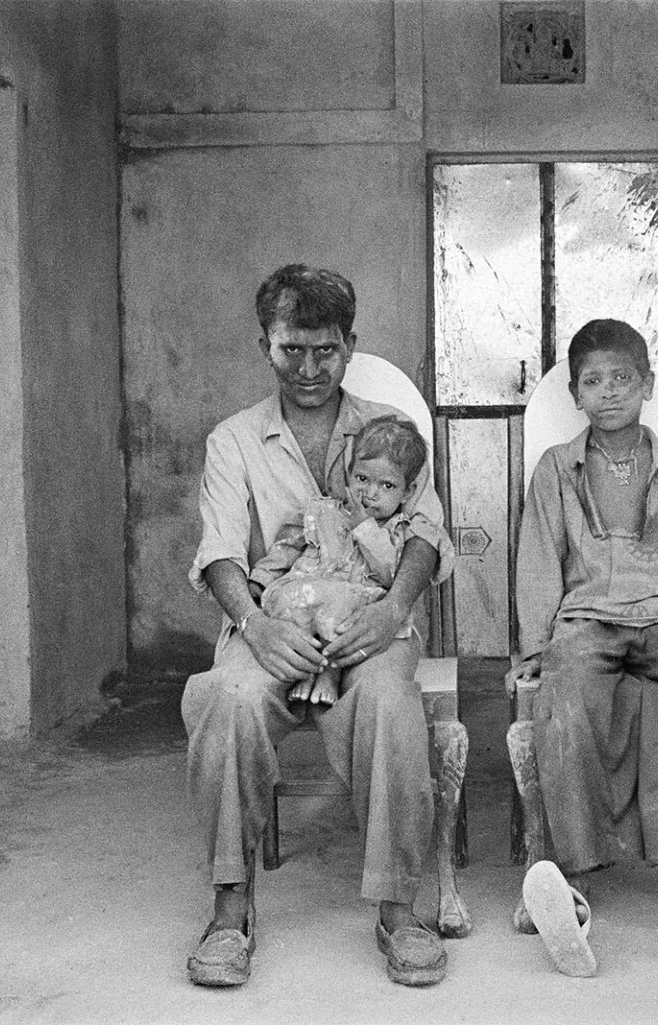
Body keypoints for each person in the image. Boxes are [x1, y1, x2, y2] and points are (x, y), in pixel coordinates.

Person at [181, 264, 455, 988]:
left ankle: (398, 907)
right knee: (227, 698)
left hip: (368, 620)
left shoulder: (388, 436)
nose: (308, 368)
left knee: (391, 703)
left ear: (350, 344)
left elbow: (426, 533)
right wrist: (253, 625)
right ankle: (230, 904)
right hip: (272, 622)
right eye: (289, 349)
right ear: (264, 345)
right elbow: (217, 551)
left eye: (324, 351)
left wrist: (395, 608)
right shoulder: (233, 440)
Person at [508, 318, 658, 976]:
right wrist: (536, 646)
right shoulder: (556, 470)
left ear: (647, 385)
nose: (609, 392)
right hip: (585, 618)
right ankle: (570, 883)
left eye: (622, 379)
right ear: (575, 393)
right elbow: (538, 560)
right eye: (593, 381)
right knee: (561, 706)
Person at [250, 414, 430, 707]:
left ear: (406, 492)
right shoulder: (320, 511)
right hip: (307, 597)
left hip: (352, 605)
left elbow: (389, 574)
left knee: (347, 612)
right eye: (362, 479)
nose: (370, 493)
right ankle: (308, 670)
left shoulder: (398, 529)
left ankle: (330, 672)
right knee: (288, 603)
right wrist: (260, 579)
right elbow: (287, 546)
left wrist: (364, 529)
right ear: (349, 474)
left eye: (387, 486)